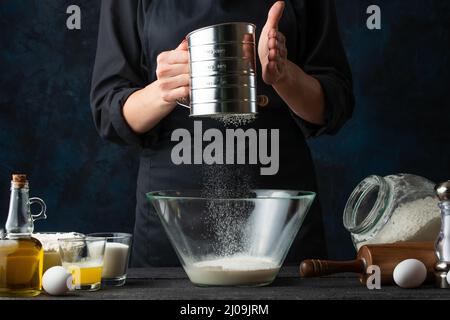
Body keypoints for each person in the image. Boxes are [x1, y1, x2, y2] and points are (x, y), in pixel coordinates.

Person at [90, 0, 354, 267]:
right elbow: (108, 113)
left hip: (277, 222)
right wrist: (164, 91)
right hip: (173, 227)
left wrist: (284, 75)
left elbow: (334, 105)